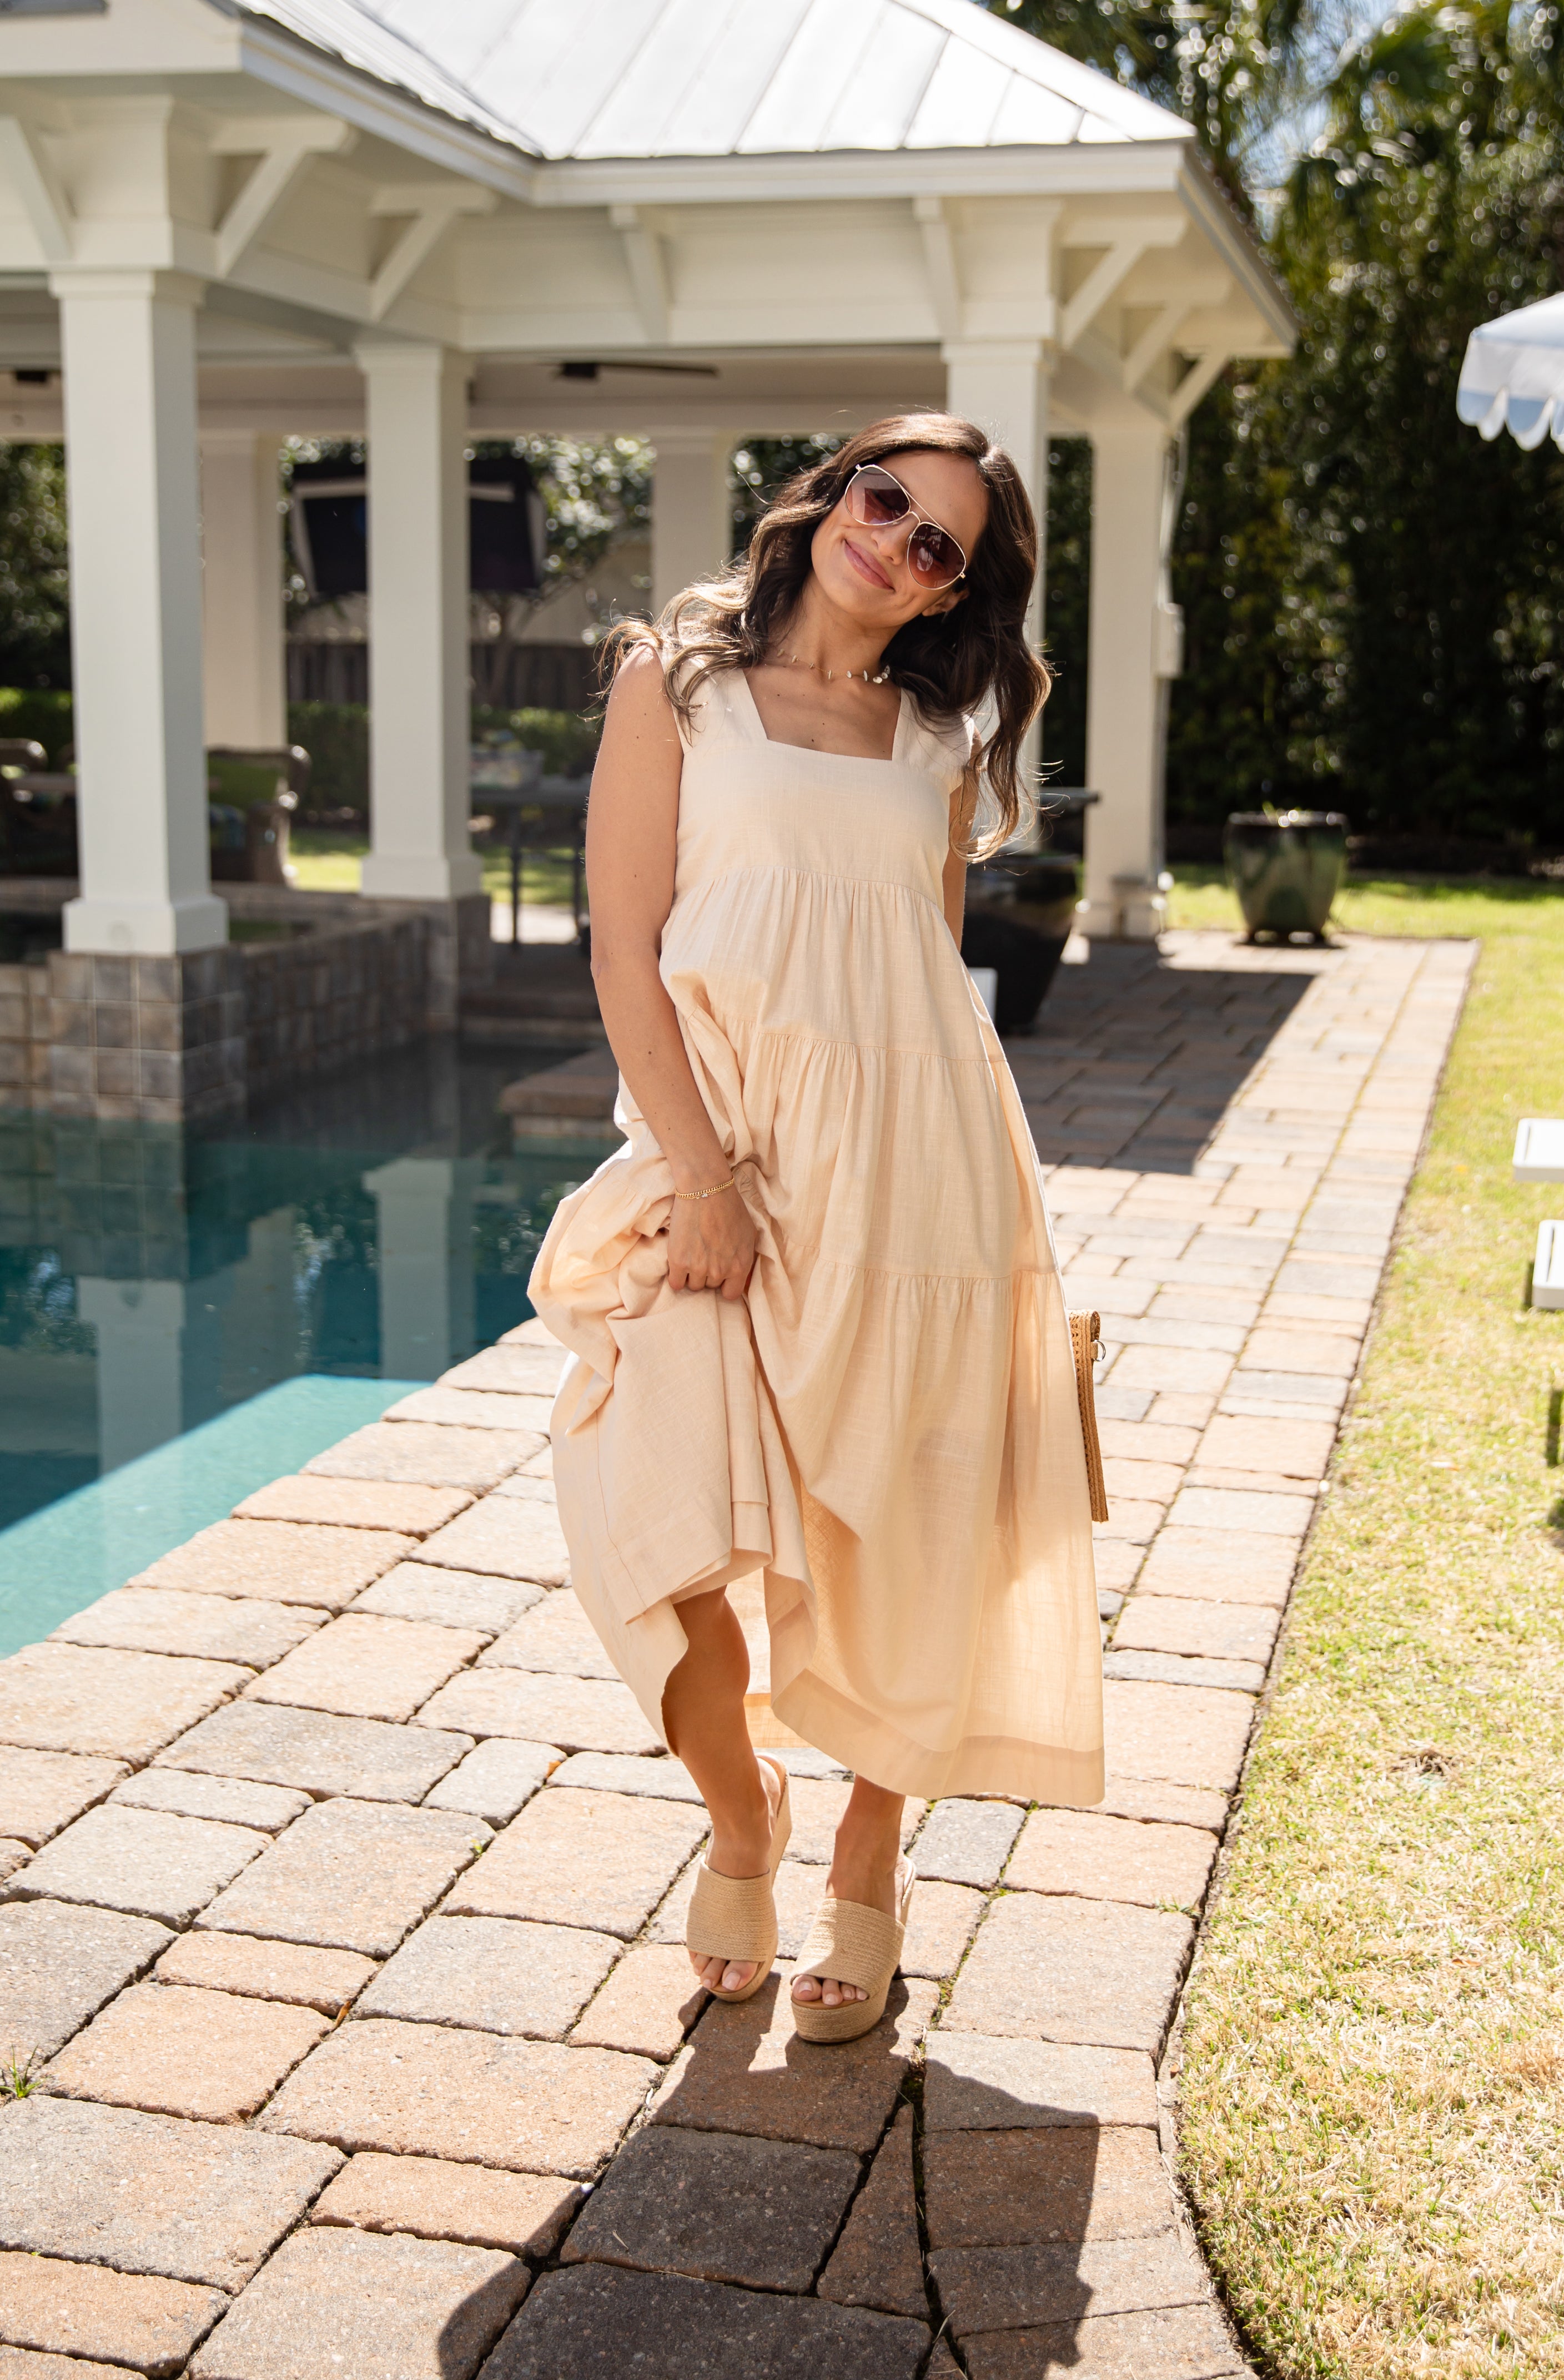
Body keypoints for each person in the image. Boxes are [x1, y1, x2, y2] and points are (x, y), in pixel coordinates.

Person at [528, 413, 1103, 2044]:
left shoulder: (934, 738)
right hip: (719, 1177)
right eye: (887, 502)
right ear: (829, 494)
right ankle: (741, 1813)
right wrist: (703, 1177)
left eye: (942, 547)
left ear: (950, 597)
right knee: (642, 1510)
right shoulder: (679, 680)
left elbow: (922, 983)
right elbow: (625, 953)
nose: (899, 545)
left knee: (901, 1534)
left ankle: (866, 1850)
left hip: (918, 1179)